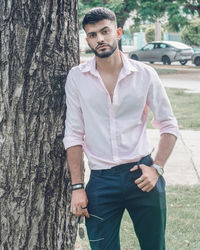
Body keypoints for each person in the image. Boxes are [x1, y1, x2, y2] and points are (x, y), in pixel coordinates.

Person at [63, 7, 178, 250]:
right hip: (101, 182)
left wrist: (156, 168)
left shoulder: (145, 74)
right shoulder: (77, 78)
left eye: (105, 32)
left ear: (117, 32)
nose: (100, 39)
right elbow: (73, 134)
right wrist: (77, 187)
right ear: (87, 40)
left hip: (142, 175)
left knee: (154, 246)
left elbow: (168, 124)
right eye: (92, 35)